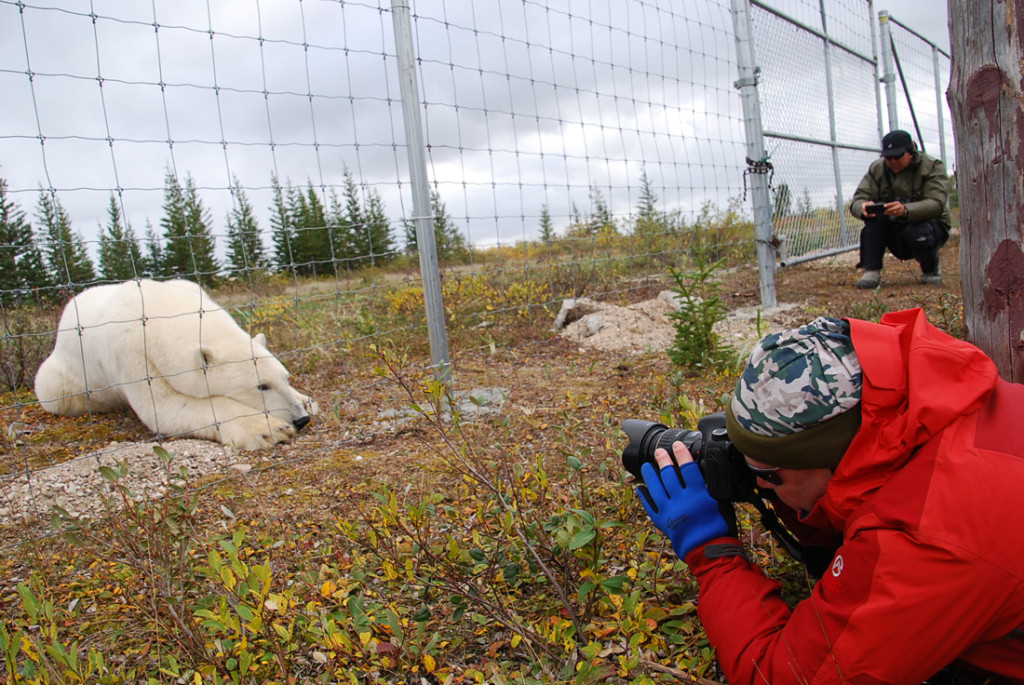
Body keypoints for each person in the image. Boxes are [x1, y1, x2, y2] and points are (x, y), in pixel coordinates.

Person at [637, 310, 1024, 684]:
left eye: (766, 475)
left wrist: (711, 553)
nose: (762, 486)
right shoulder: (934, 401)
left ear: (823, 460)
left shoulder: (925, 540)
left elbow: (783, 677)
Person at [849, 130, 951, 289]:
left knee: (919, 232)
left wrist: (906, 210)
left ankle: (931, 268)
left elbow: (937, 204)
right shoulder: (877, 169)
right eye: (888, 157)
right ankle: (871, 271)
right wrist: (862, 207)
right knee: (873, 222)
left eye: (898, 156)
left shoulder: (932, 166)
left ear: (910, 152)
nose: (893, 161)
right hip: (893, 226)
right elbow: (859, 198)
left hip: (927, 226)